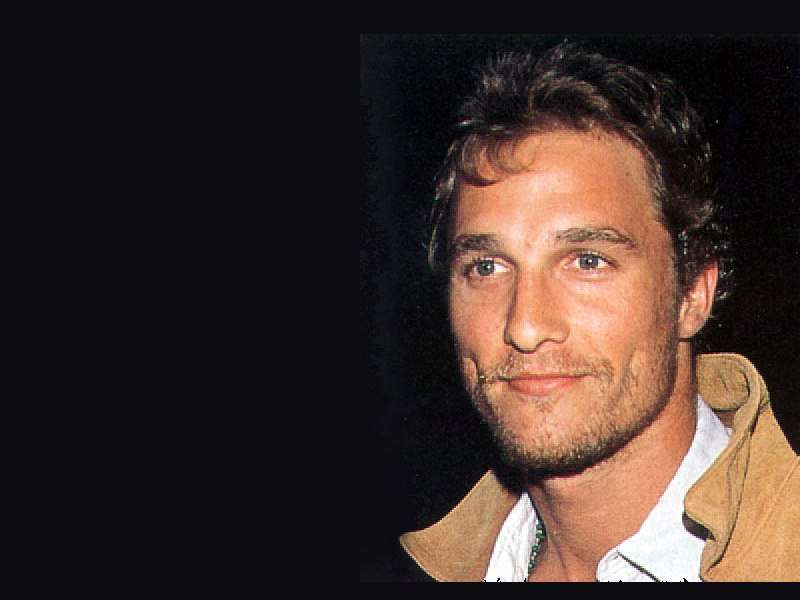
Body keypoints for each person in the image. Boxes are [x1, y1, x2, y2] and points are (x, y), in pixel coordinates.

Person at [388, 42, 799, 582]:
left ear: (692, 296)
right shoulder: (428, 567)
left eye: (587, 261)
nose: (525, 326)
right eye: (487, 267)